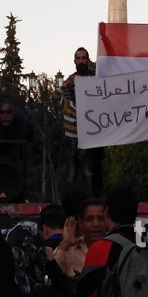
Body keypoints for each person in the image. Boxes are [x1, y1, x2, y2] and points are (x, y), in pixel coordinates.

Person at [55, 47, 105, 197]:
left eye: (84, 58)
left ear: (88, 60)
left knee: (91, 171)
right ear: (75, 61)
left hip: (92, 133)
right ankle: (70, 202)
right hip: (72, 133)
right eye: (78, 58)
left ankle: (94, 201)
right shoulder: (71, 80)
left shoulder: (96, 78)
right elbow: (56, 96)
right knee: (71, 173)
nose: (81, 61)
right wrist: (66, 84)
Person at [55, 198, 107, 279]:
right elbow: (51, 275)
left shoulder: (116, 248)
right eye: (89, 219)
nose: (96, 224)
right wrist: (65, 245)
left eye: (101, 218)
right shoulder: (68, 249)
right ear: (80, 222)